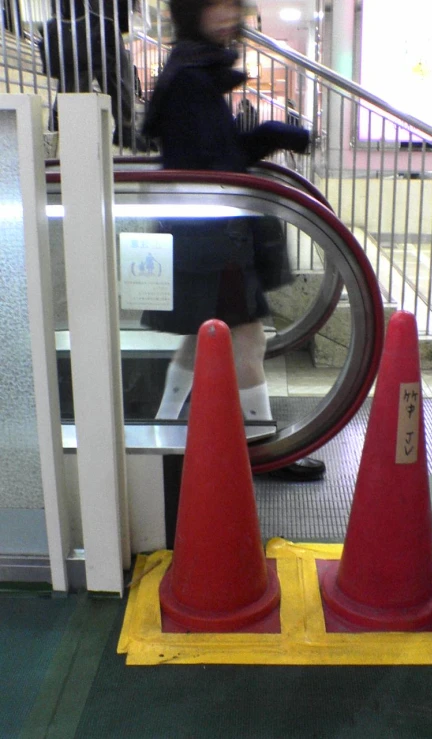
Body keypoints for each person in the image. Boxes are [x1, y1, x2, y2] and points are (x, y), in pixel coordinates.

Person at [141, 0, 325, 481]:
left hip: (198, 230)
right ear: (191, 13)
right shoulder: (193, 79)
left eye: (233, 7)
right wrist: (267, 136)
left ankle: (164, 424)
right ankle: (263, 449)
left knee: (199, 335)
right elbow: (212, 164)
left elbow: (214, 154)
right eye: (216, 7)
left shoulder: (190, 70)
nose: (228, 17)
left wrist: (267, 136)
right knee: (247, 338)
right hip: (214, 233)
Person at [39, 0, 153, 151]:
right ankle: (122, 128)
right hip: (86, 18)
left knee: (105, 72)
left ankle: (123, 128)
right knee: (85, 73)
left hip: (96, 17)